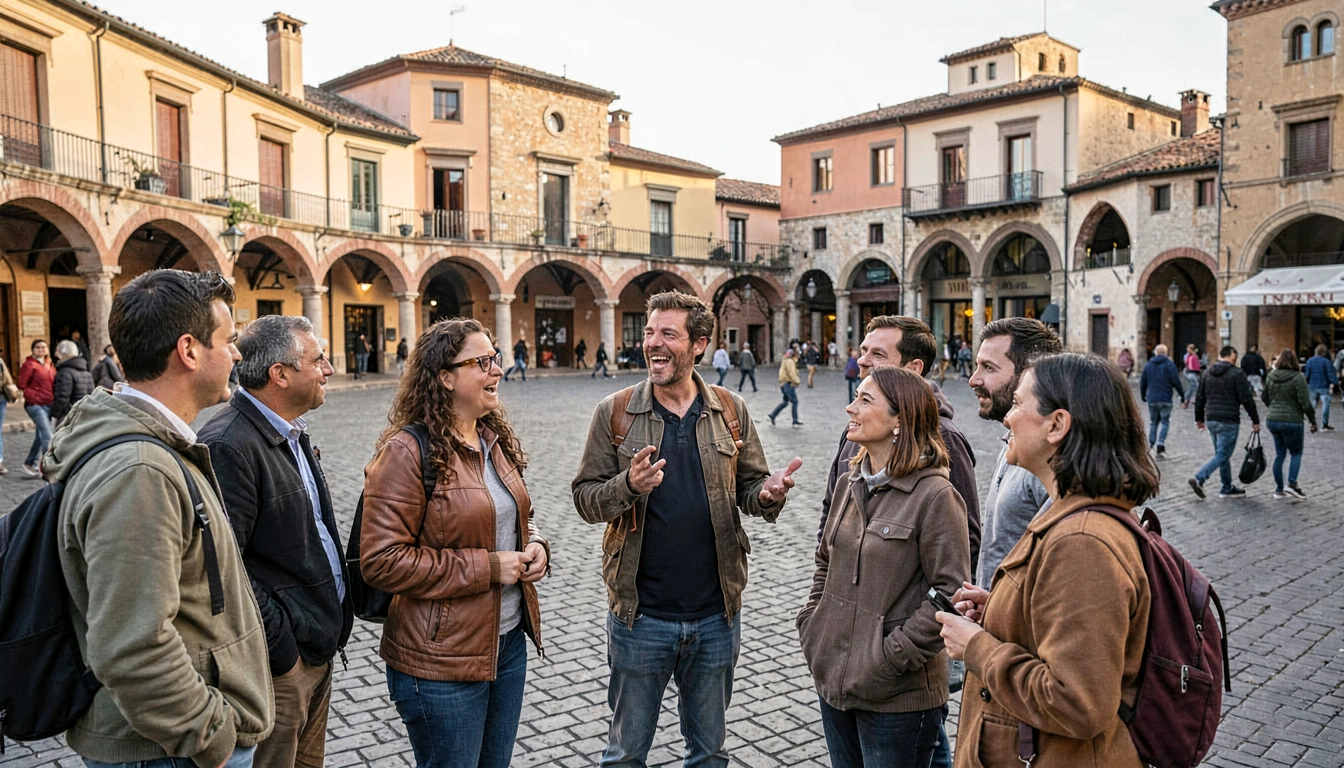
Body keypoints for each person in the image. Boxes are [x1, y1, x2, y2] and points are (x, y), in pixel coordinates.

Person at [50, 269, 271, 768]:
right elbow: (132, 645)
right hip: (165, 751)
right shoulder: (139, 471)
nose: (237, 354)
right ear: (189, 350)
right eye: (229, 340)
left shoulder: (153, 450)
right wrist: (212, 737)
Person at [572, 290, 801, 768]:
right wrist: (627, 485)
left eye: (667, 334)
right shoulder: (615, 413)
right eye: (650, 331)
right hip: (641, 617)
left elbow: (750, 486)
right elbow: (585, 500)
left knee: (709, 754)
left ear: (698, 344)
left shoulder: (730, 409)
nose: (653, 342)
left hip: (716, 615)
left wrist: (766, 494)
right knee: (625, 755)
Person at [937, 353, 1159, 768]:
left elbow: (1078, 702)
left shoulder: (1082, 541)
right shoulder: (1071, 517)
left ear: (1057, 425)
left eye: (1019, 405)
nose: (1007, 419)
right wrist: (1004, 613)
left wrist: (978, 648)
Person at [362, 318, 551, 768]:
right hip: (440, 663)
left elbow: (516, 516)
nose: (497, 370)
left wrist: (537, 546)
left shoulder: (492, 439)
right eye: (482, 361)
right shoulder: (407, 453)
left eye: (496, 358)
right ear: (444, 377)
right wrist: (489, 567)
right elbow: (381, 561)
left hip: (505, 647)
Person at [799, 366, 969, 768]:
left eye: (864, 400)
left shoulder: (936, 495)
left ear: (900, 419)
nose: (849, 407)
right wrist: (814, 623)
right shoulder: (849, 481)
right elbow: (826, 558)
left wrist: (890, 658)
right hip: (834, 677)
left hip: (898, 696)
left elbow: (950, 593)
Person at [199, 315, 348, 768]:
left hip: (315, 648)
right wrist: (284, 654)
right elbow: (224, 571)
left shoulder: (290, 429)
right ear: (279, 374)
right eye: (317, 359)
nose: (328, 368)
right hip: (281, 666)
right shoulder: (229, 444)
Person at [967, 318, 1063, 588]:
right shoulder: (1012, 439)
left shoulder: (1048, 459)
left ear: (1028, 376)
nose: (974, 379)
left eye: (988, 367)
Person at [1190, 345, 1260, 499]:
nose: (1236, 360)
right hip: (1228, 419)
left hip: (1212, 419)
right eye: (1235, 357)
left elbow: (1200, 397)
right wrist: (1255, 419)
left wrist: (1199, 419)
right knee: (1223, 454)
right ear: (1231, 356)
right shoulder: (1237, 373)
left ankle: (1226, 487)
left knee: (1221, 454)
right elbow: (1246, 399)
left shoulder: (1207, 373)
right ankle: (1200, 477)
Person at [1262, 349, 1316, 501]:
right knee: (1296, 453)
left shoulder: (1270, 376)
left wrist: (1273, 408)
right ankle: (1291, 483)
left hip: (1272, 419)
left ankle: (1279, 489)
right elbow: (1305, 403)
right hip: (1292, 420)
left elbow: (1265, 397)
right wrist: (1312, 421)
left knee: (1280, 454)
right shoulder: (1298, 377)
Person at [17, 338, 56, 477]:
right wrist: (33, 396)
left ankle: (29, 463)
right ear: (33, 349)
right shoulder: (29, 364)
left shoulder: (49, 364)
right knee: (47, 435)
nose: (41, 349)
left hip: (48, 403)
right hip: (35, 404)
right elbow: (21, 384)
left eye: (44, 347)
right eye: (38, 347)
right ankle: (47, 468)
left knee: (40, 436)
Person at [1139, 343, 1184, 457]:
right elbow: (1176, 381)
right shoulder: (1169, 365)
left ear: (1155, 352)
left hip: (1152, 398)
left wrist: (1143, 395)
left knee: (1153, 422)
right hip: (1165, 398)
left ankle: (1151, 445)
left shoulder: (1149, 365)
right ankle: (1160, 444)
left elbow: (1143, 381)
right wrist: (1182, 395)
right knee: (1165, 422)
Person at [51, 339, 95, 425]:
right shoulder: (87, 373)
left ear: (62, 353)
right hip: (84, 414)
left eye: (57, 351)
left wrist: (54, 413)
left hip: (69, 415)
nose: (55, 355)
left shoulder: (65, 372)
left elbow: (62, 397)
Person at [1303, 344, 1336, 431]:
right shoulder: (1326, 362)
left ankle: (1311, 421)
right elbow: (1330, 374)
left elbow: (1307, 374)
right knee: (1326, 404)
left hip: (1312, 385)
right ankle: (1324, 424)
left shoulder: (1310, 361)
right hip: (1324, 385)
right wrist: (1333, 384)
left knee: (1312, 404)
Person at [769, 348, 802, 426]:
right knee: (795, 402)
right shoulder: (790, 362)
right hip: (788, 383)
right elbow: (792, 373)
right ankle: (795, 420)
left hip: (783, 384)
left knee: (785, 402)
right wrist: (797, 381)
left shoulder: (784, 361)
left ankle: (773, 415)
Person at [1183, 343, 1202, 408]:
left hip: (1191, 372)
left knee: (1192, 386)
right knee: (1196, 386)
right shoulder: (1192, 356)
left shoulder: (1191, 356)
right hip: (1191, 373)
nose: (1187, 350)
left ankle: (1186, 399)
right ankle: (1191, 398)